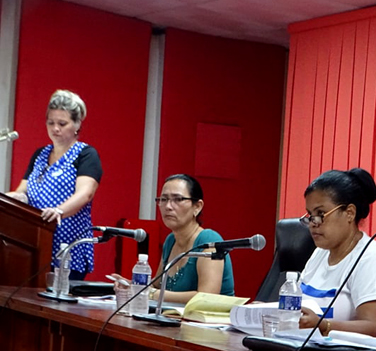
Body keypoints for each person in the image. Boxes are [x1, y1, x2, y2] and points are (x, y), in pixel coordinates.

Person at [6, 90, 102, 279]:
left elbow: (85, 194)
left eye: (62, 123)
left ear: (76, 125)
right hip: (32, 244)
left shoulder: (86, 155)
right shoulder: (40, 155)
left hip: (67, 245)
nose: (55, 128)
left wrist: (58, 210)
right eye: (51, 123)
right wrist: (13, 198)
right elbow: (23, 192)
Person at [298, 168, 376, 337]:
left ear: (349, 213)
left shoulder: (372, 259)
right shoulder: (320, 253)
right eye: (310, 215)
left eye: (321, 214)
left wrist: (324, 325)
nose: (313, 223)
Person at [114, 174, 234, 304]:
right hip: (174, 319)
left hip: (210, 322)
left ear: (197, 207)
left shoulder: (209, 240)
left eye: (177, 199)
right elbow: (157, 286)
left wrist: (152, 294)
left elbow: (206, 297)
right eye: (164, 199)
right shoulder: (171, 240)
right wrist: (132, 287)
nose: (168, 206)